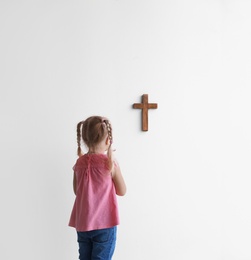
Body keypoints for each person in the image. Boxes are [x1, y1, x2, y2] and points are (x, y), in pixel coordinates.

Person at [69, 116, 126, 260]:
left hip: (83, 225)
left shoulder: (79, 163)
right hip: (105, 224)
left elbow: (77, 191)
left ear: (84, 139)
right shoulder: (109, 163)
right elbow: (122, 191)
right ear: (108, 140)